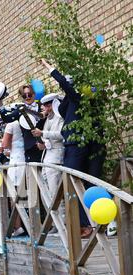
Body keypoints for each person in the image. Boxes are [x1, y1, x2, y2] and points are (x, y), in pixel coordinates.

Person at [41, 59, 106, 238]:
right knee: (81, 185)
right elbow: (63, 106)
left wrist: (50, 68)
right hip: (84, 145)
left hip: (80, 147)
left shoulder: (80, 97)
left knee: (77, 184)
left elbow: (65, 85)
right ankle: (89, 224)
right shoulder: (71, 101)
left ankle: (88, 225)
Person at [32, 93, 65, 233]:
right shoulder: (46, 119)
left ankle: (63, 225)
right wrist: (43, 144)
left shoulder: (60, 117)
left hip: (56, 158)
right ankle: (55, 224)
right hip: (46, 157)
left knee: (56, 193)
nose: (47, 108)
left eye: (49, 104)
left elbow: (61, 134)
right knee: (47, 194)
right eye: (45, 105)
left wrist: (43, 134)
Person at [0, 120, 26, 237]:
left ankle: (18, 226)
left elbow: (4, 145)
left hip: (16, 164)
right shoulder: (24, 123)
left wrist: (0, 147)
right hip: (24, 159)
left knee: (14, 196)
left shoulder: (11, 124)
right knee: (23, 195)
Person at [18, 85, 45, 163]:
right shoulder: (19, 110)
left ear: (34, 94)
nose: (27, 97)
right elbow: (7, 118)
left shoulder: (43, 106)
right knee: (34, 174)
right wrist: (0, 107)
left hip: (46, 145)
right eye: (24, 95)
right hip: (30, 149)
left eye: (29, 94)